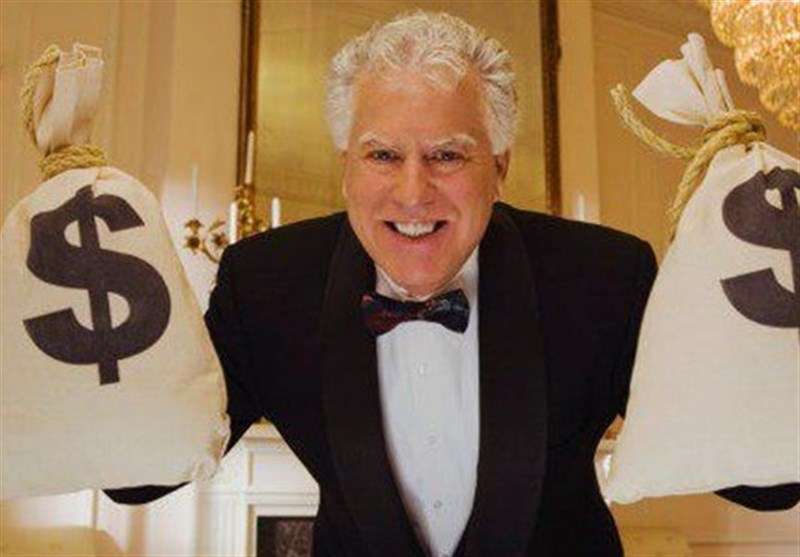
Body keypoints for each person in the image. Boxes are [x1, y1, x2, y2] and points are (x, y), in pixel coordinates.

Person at [105, 11, 799, 557]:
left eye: (447, 155)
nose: (413, 191)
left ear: (499, 165)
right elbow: (140, 475)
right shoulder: (266, 283)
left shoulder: (604, 277)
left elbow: (764, 483)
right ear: (346, 164)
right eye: (383, 154)